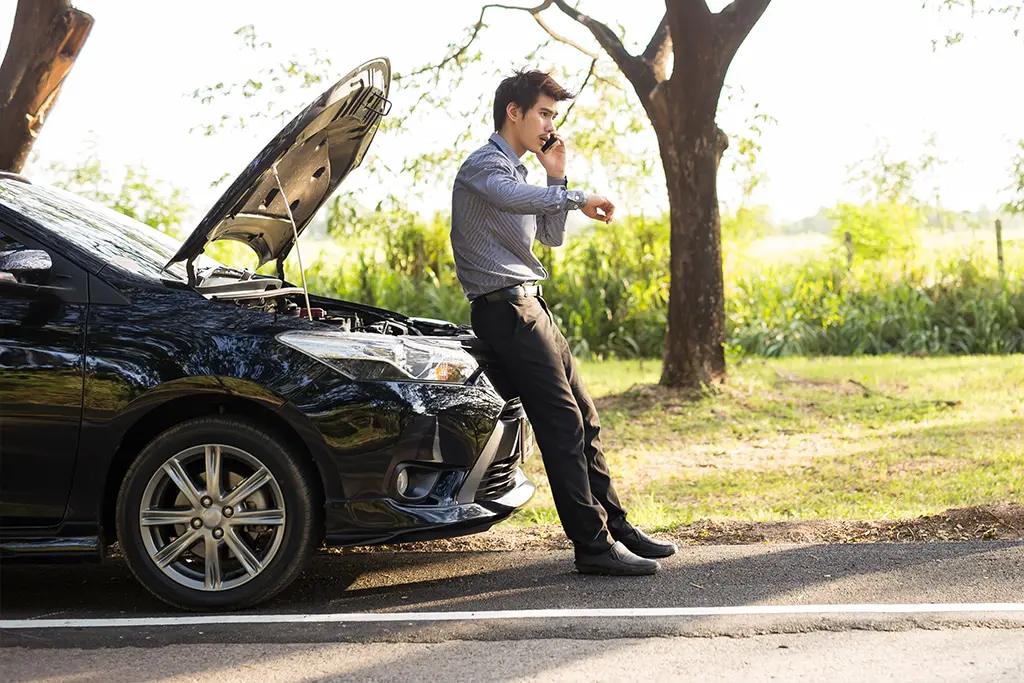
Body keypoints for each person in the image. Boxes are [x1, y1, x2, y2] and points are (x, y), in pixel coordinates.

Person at [450, 69, 677, 576]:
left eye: (554, 114)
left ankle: (615, 527)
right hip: (504, 310)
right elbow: (513, 199)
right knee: (561, 423)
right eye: (545, 113)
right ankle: (591, 547)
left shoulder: (525, 175)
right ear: (515, 112)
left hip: (532, 307)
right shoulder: (483, 167)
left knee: (586, 417)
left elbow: (549, 237)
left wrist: (558, 175)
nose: (551, 123)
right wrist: (576, 196)